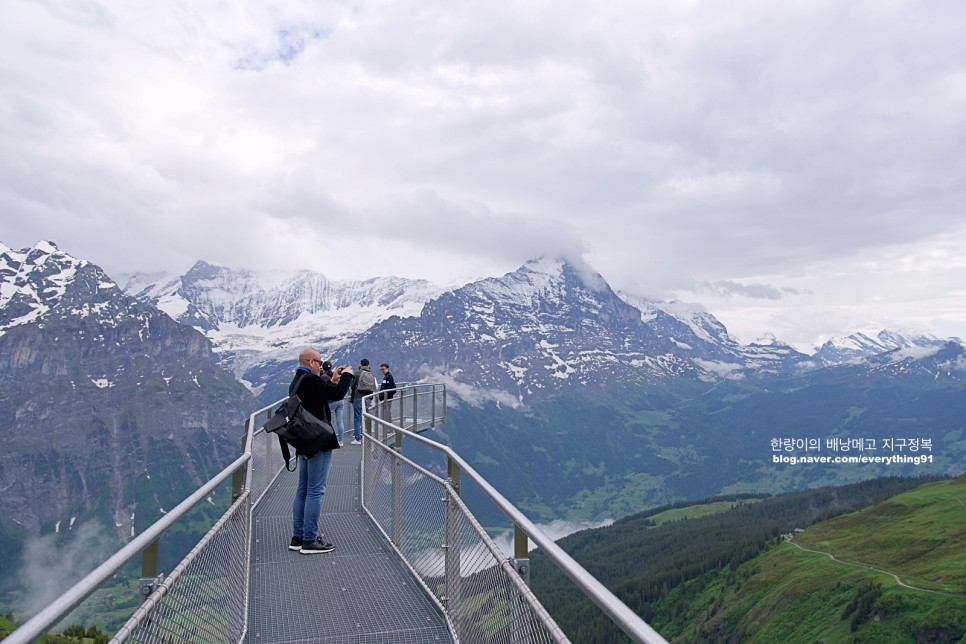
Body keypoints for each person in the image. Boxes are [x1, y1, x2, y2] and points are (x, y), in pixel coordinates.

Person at [288, 348, 353, 554]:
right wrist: (348, 377)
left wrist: (333, 379)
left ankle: (298, 536)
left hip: (305, 440)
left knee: (303, 489)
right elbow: (336, 395)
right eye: (319, 361)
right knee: (316, 490)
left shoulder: (298, 380)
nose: (321, 363)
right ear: (311, 362)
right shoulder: (310, 380)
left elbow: (320, 396)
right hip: (319, 440)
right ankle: (310, 539)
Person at [350, 358, 377, 444]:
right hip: (368, 397)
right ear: (369, 365)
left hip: (358, 397)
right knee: (365, 417)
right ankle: (367, 435)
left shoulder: (357, 373)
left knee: (357, 418)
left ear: (360, 364)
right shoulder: (370, 373)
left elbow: (352, 385)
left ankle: (358, 438)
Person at [320, 361, 346, 447]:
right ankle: (341, 441)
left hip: (330, 402)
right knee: (340, 421)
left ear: (323, 368)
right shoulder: (336, 375)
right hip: (340, 400)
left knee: (330, 421)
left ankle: (332, 440)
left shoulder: (323, 377)